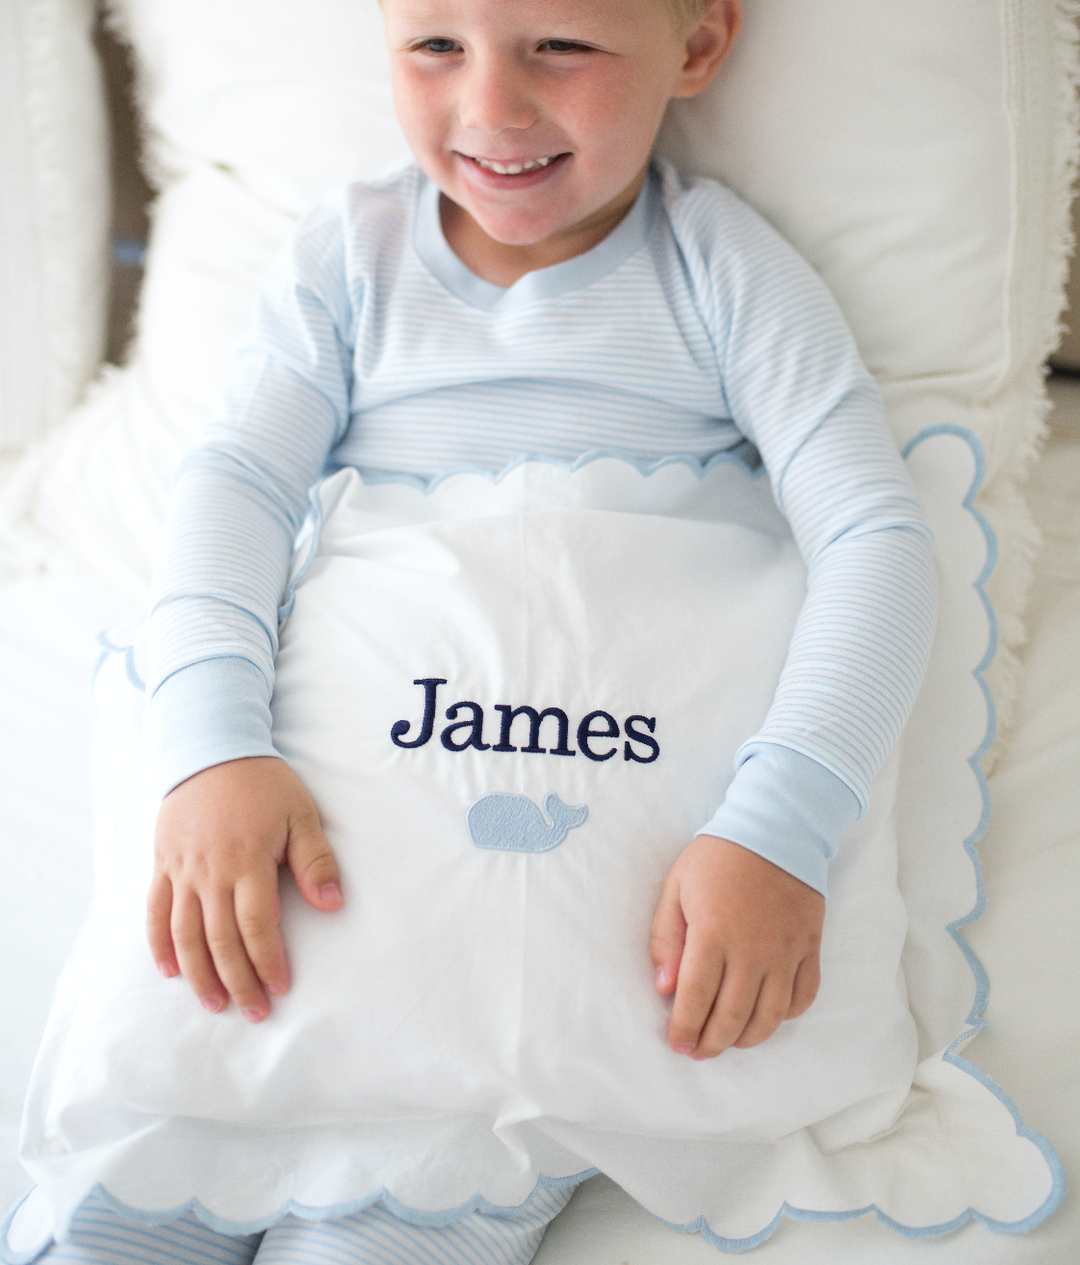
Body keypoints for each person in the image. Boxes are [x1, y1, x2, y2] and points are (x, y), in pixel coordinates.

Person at [35, 0, 936, 1259]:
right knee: (115, 1214)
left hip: (514, 957)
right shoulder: (353, 258)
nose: (492, 110)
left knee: (397, 1219)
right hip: (313, 874)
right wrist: (211, 743)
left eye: (560, 46)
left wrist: (782, 829)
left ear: (697, 44)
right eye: (434, 48)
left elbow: (877, 542)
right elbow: (235, 486)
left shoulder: (724, 272)